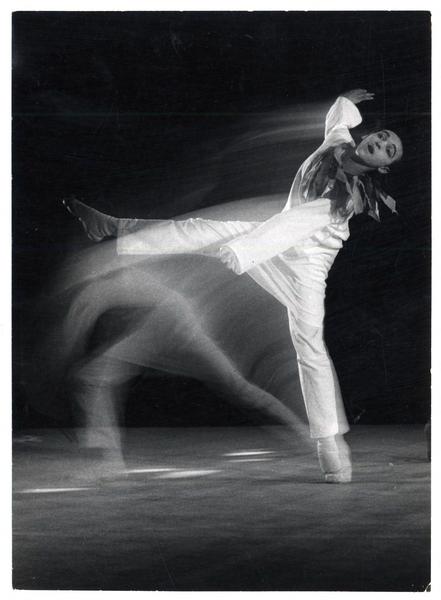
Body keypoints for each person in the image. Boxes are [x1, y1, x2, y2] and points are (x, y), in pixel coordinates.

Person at [64, 89, 403, 483]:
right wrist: (347, 100)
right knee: (200, 229)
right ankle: (116, 227)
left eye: (388, 150)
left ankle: (332, 448)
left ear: (382, 168)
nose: (381, 143)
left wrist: (243, 251)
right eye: (382, 137)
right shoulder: (338, 142)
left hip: (306, 265)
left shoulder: (345, 197)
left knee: (309, 346)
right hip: (272, 236)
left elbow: (293, 225)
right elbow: (338, 119)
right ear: (368, 135)